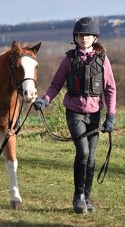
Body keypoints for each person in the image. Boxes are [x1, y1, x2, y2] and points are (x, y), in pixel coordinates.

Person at [34, 16, 116, 214]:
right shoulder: (69, 59)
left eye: (88, 35)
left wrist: (110, 115)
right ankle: (78, 196)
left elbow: (110, 88)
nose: (84, 38)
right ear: (76, 37)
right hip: (74, 113)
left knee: (92, 157)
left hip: (95, 114)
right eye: (81, 35)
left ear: (94, 37)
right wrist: (45, 99)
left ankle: (87, 197)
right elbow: (56, 84)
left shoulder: (103, 60)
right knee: (83, 152)